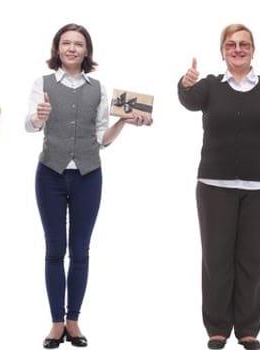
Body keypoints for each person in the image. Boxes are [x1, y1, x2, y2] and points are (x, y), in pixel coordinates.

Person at [176, 24, 260, 350]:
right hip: (214, 185)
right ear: (222, 50)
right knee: (217, 257)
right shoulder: (209, 86)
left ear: (253, 49)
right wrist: (184, 83)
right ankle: (218, 328)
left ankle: (248, 328)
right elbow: (189, 100)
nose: (238, 49)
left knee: (254, 259)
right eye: (231, 44)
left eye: (244, 44)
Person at [27, 23, 150, 350]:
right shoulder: (43, 83)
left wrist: (122, 121)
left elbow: (101, 140)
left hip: (88, 176)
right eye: (65, 43)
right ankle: (56, 324)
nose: (71, 48)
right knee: (55, 250)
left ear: (86, 50)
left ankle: (73, 321)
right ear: (57, 48)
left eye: (77, 44)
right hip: (50, 174)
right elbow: (29, 125)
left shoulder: (98, 88)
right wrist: (39, 116)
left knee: (80, 251)